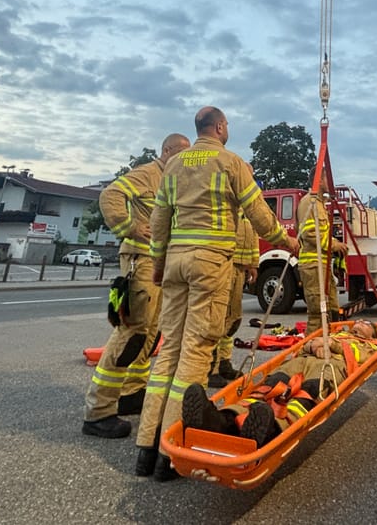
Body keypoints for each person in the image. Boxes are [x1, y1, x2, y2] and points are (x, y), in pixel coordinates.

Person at [134, 106, 300, 482]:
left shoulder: (173, 165)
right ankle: (169, 454)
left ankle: (146, 447)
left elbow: (160, 220)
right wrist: (285, 241)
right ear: (221, 127)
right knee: (195, 353)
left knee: (168, 354)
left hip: (174, 262)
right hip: (209, 264)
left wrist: (158, 262)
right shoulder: (230, 162)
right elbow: (258, 213)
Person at [83, 133, 191, 439]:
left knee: (150, 331)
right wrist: (129, 227)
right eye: (180, 154)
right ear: (167, 150)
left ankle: (131, 393)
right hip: (139, 261)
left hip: (157, 263)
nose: (184, 161)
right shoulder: (147, 173)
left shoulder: (171, 180)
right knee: (130, 332)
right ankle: (99, 411)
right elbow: (110, 196)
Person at [180, 320, 377, 447]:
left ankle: (274, 427)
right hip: (304, 360)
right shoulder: (335, 334)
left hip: (332, 366)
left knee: (309, 392)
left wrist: (331, 345)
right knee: (270, 385)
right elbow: (305, 346)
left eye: (366, 323)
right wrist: (314, 345)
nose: (360, 322)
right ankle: (220, 419)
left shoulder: (370, 345)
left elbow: (362, 357)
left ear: (371, 335)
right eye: (360, 320)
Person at [209, 213, 259, 388]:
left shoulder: (245, 211)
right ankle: (211, 369)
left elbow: (253, 235)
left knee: (232, 319)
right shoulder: (227, 205)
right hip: (225, 264)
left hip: (240, 267)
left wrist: (253, 263)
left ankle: (224, 362)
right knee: (218, 318)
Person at [296, 191, 347, 336]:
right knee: (318, 313)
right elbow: (310, 233)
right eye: (326, 176)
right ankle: (311, 349)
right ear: (320, 179)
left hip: (322, 265)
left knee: (332, 308)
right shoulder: (308, 202)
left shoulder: (319, 204)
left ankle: (331, 342)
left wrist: (337, 244)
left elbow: (323, 234)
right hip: (312, 265)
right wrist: (333, 246)